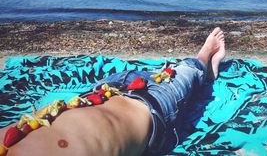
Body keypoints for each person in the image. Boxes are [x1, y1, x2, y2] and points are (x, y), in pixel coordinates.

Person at [0, 27, 226, 156]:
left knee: (151, 72)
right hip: (153, 107)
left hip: (104, 91)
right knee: (187, 69)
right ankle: (205, 63)